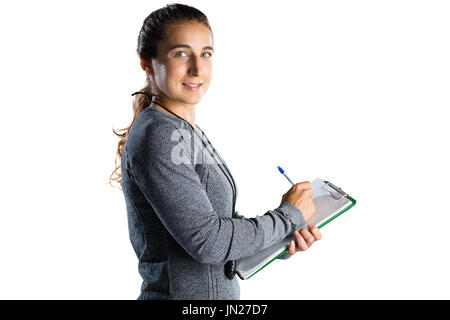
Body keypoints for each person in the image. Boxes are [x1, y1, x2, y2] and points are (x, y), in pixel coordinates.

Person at [110, 3, 322, 300]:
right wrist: (287, 217)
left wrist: (283, 238)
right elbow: (209, 242)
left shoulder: (183, 131)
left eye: (206, 54)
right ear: (147, 63)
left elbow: (219, 234)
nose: (197, 68)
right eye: (181, 54)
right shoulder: (161, 134)